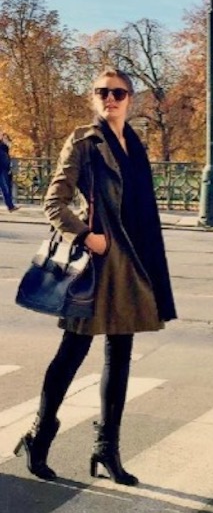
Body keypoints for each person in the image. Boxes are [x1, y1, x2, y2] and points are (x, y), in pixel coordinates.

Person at [14, 67, 177, 484]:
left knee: (120, 356)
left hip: (134, 262)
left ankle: (106, 450)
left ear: (130, 99)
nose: (111, 99)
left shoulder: (134, 144)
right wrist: (88, 236)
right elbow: (54, 202)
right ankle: (39, 435)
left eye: (118, 93)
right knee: (73, 350)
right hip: (99, 262)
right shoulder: (84, 141)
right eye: (103, 92)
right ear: (93, 97)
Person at [0, 130, 19, 212]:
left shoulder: (4, 147)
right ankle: (10, 206)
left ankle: (10, 206)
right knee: (5, 188)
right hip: (1, 169)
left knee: (7, 188)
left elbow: (7, 156)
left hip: (5, 169)